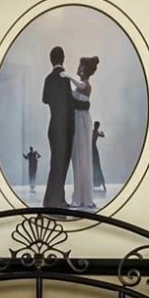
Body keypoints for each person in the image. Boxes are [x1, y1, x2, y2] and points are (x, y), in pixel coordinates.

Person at [38, 47, 77, 210]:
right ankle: (55, 200)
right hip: (65, 129)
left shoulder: (48, 79)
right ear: (63, 58)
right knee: (62, 164)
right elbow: (71, 104)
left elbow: (45, 99)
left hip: (53, 127)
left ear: (51, 59)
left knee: (56, 164)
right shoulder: (65, 79)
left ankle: (53, 199)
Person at [74, 55, 105, 206]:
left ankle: (84, 197)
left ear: (85, 69)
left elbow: (78, 87)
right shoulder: (82, 85)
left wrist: (66, 76)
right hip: (78, 120)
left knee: (83, 157)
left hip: (82, 121)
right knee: (79, 158)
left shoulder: (85, 84)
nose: (78, 68)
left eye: (81, 66)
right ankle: (80, 196)